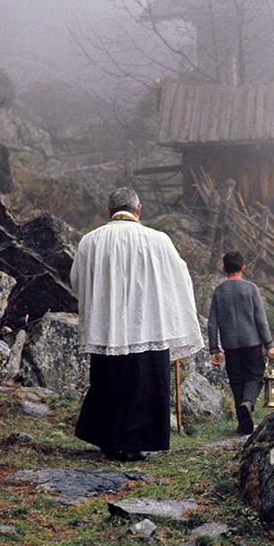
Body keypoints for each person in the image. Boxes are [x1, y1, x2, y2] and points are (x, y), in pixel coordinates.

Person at [71, 186, 203, 461]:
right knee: (143, 387)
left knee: (107, 383)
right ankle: (133, 444)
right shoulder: (158, 240)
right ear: (138, 209)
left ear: (109, 211)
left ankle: (108, 440)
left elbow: (78, 281)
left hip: (108, 328)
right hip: (147, 325)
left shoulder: (89, 241)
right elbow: (179, 278)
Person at [207, 250, 274, 435]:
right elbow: (260, 320)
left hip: (231, 346)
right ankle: (248, 402)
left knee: (236, 382)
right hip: (252, 343)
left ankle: (243, 424)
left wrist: (214, 348)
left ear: (224, 268)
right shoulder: (251, 288)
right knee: (255, 377)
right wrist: (269, 344)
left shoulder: (219, 291)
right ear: (243, 267)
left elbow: (212, 322)